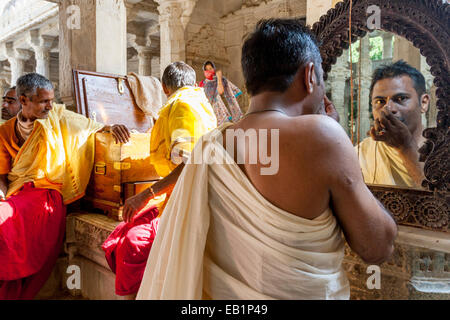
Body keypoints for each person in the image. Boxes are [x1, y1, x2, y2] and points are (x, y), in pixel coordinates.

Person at [135, 19, 398, 300]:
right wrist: (333, 138)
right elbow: (378, 247)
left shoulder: (214, 143)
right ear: (310, 76)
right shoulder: (322, 136)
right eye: (322, 78)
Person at [0, 73, 130, 300]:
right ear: (23, 101)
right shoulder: (5, 131)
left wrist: (112, 128)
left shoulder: (58, 117)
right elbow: (1, 175)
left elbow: (92, 127)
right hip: (15, 193)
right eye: (43, 102)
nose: (51, 106)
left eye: (52, 100)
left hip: (46, 194)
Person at [102, 61, 217, 299]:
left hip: (189, 196)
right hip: (182, 192)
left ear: (164, 88)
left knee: (132, 241)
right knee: (127, 230)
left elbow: (189, 165)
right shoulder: (201, 103)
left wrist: (146, 194)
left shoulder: (181, 106)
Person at [356, 61, 430, 188]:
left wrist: (405, 148)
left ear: (423, 103)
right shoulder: (362, 153)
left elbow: (441, 204)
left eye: (401, 99)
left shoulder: (442, 152)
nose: (388, 109)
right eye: (380, 101)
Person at [199, 60, 243, 126]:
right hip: (208, 113)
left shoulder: (221, 80)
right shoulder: (203, 83)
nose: (208, 71)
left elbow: (220, 91)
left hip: (220, 112)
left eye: (210, 69)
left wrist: (219, 78)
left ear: (214, 69)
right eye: (206, 70)